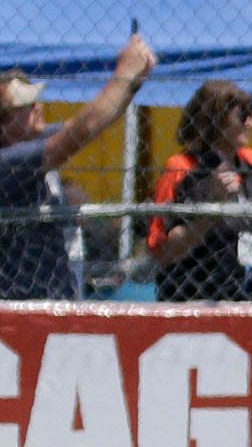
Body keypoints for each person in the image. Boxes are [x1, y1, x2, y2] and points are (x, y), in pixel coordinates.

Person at [0, 36, 154, 300]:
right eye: (24, 107)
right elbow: (83, 129)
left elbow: (96, 121)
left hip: (50, 293)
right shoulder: (9, 161)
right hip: (23, 297)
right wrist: (123, 74)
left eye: (36, 100)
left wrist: (135, 82)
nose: (38, 107)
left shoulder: (34, 141)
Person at [146, 80, 252, 303]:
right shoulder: (182, 167)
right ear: (216, 119)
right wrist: (211, 211)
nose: (251, 123)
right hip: (199, 292)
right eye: (243, 116)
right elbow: (161, 251)